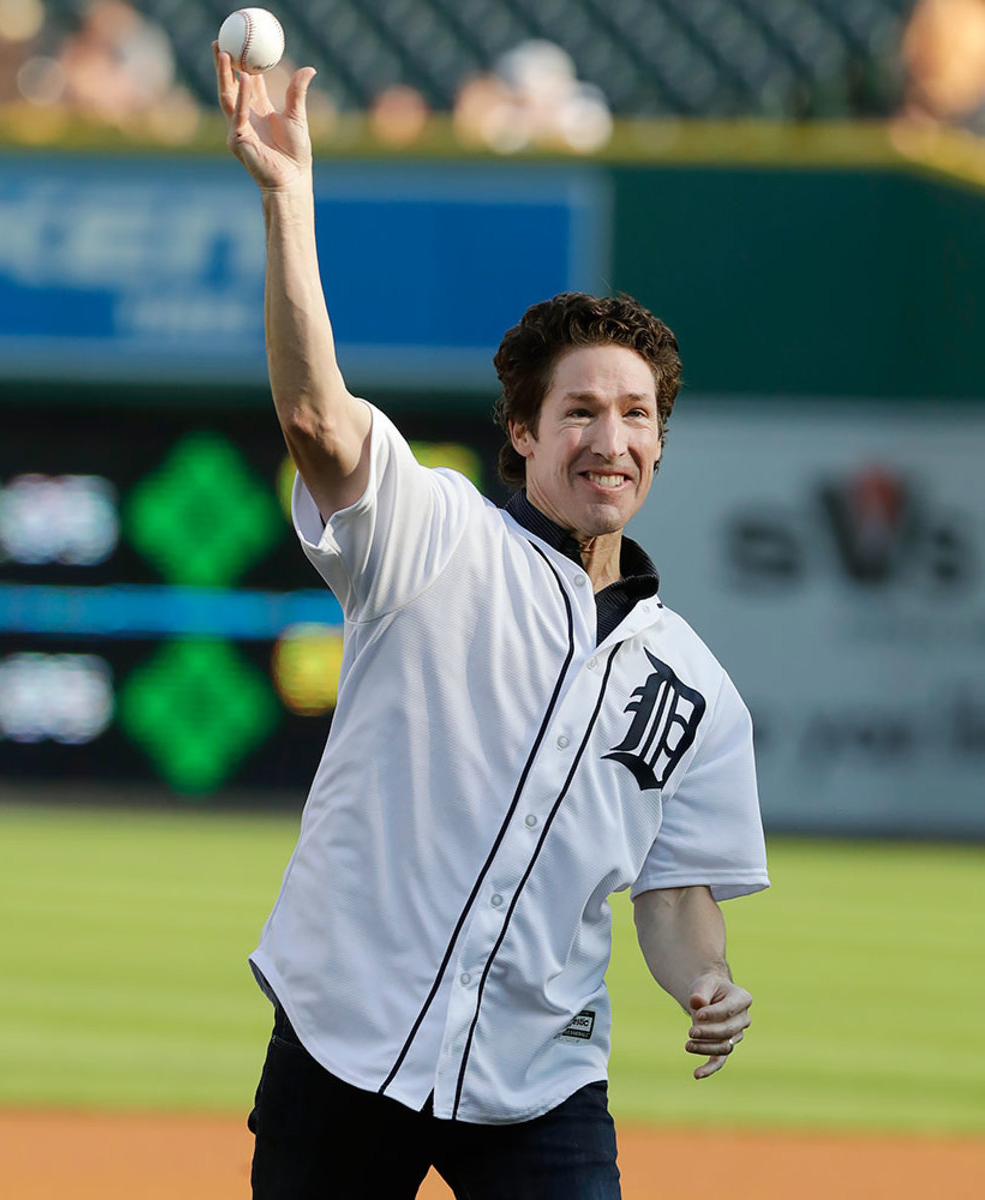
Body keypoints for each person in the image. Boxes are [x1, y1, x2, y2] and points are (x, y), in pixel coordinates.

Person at [214, 45, 769, 1200]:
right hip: (344, 1046)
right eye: (578, 411)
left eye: (634, 414)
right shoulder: (438, 537)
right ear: (521, 433)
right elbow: (318, 418)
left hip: (538, 1082)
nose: (608, 438)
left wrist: (703, 979)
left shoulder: (694, 688)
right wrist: (287, 200)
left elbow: (670, 895)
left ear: (659, 442)